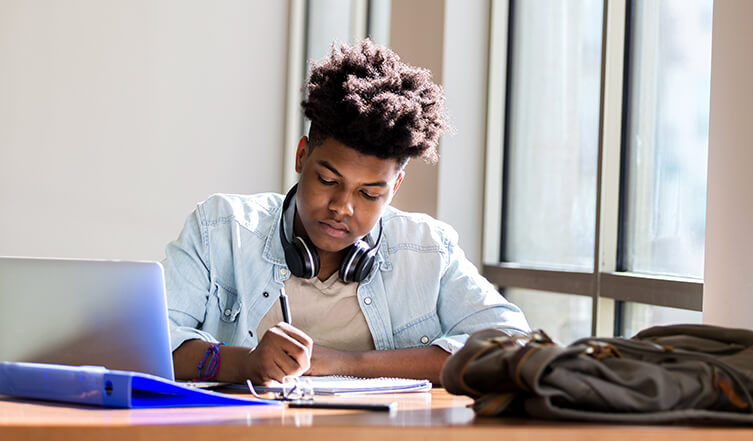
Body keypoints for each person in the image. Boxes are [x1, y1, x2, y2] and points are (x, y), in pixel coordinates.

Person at [163, 39, 530, 385]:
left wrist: (344, 363)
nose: (342, 207)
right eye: (327, 179)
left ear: (394, 188)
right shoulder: (220, 228)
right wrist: (245, 363)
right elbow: (152, 343)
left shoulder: (428, 250)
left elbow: (511, 344)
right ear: (302, 156)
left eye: (369, 193)